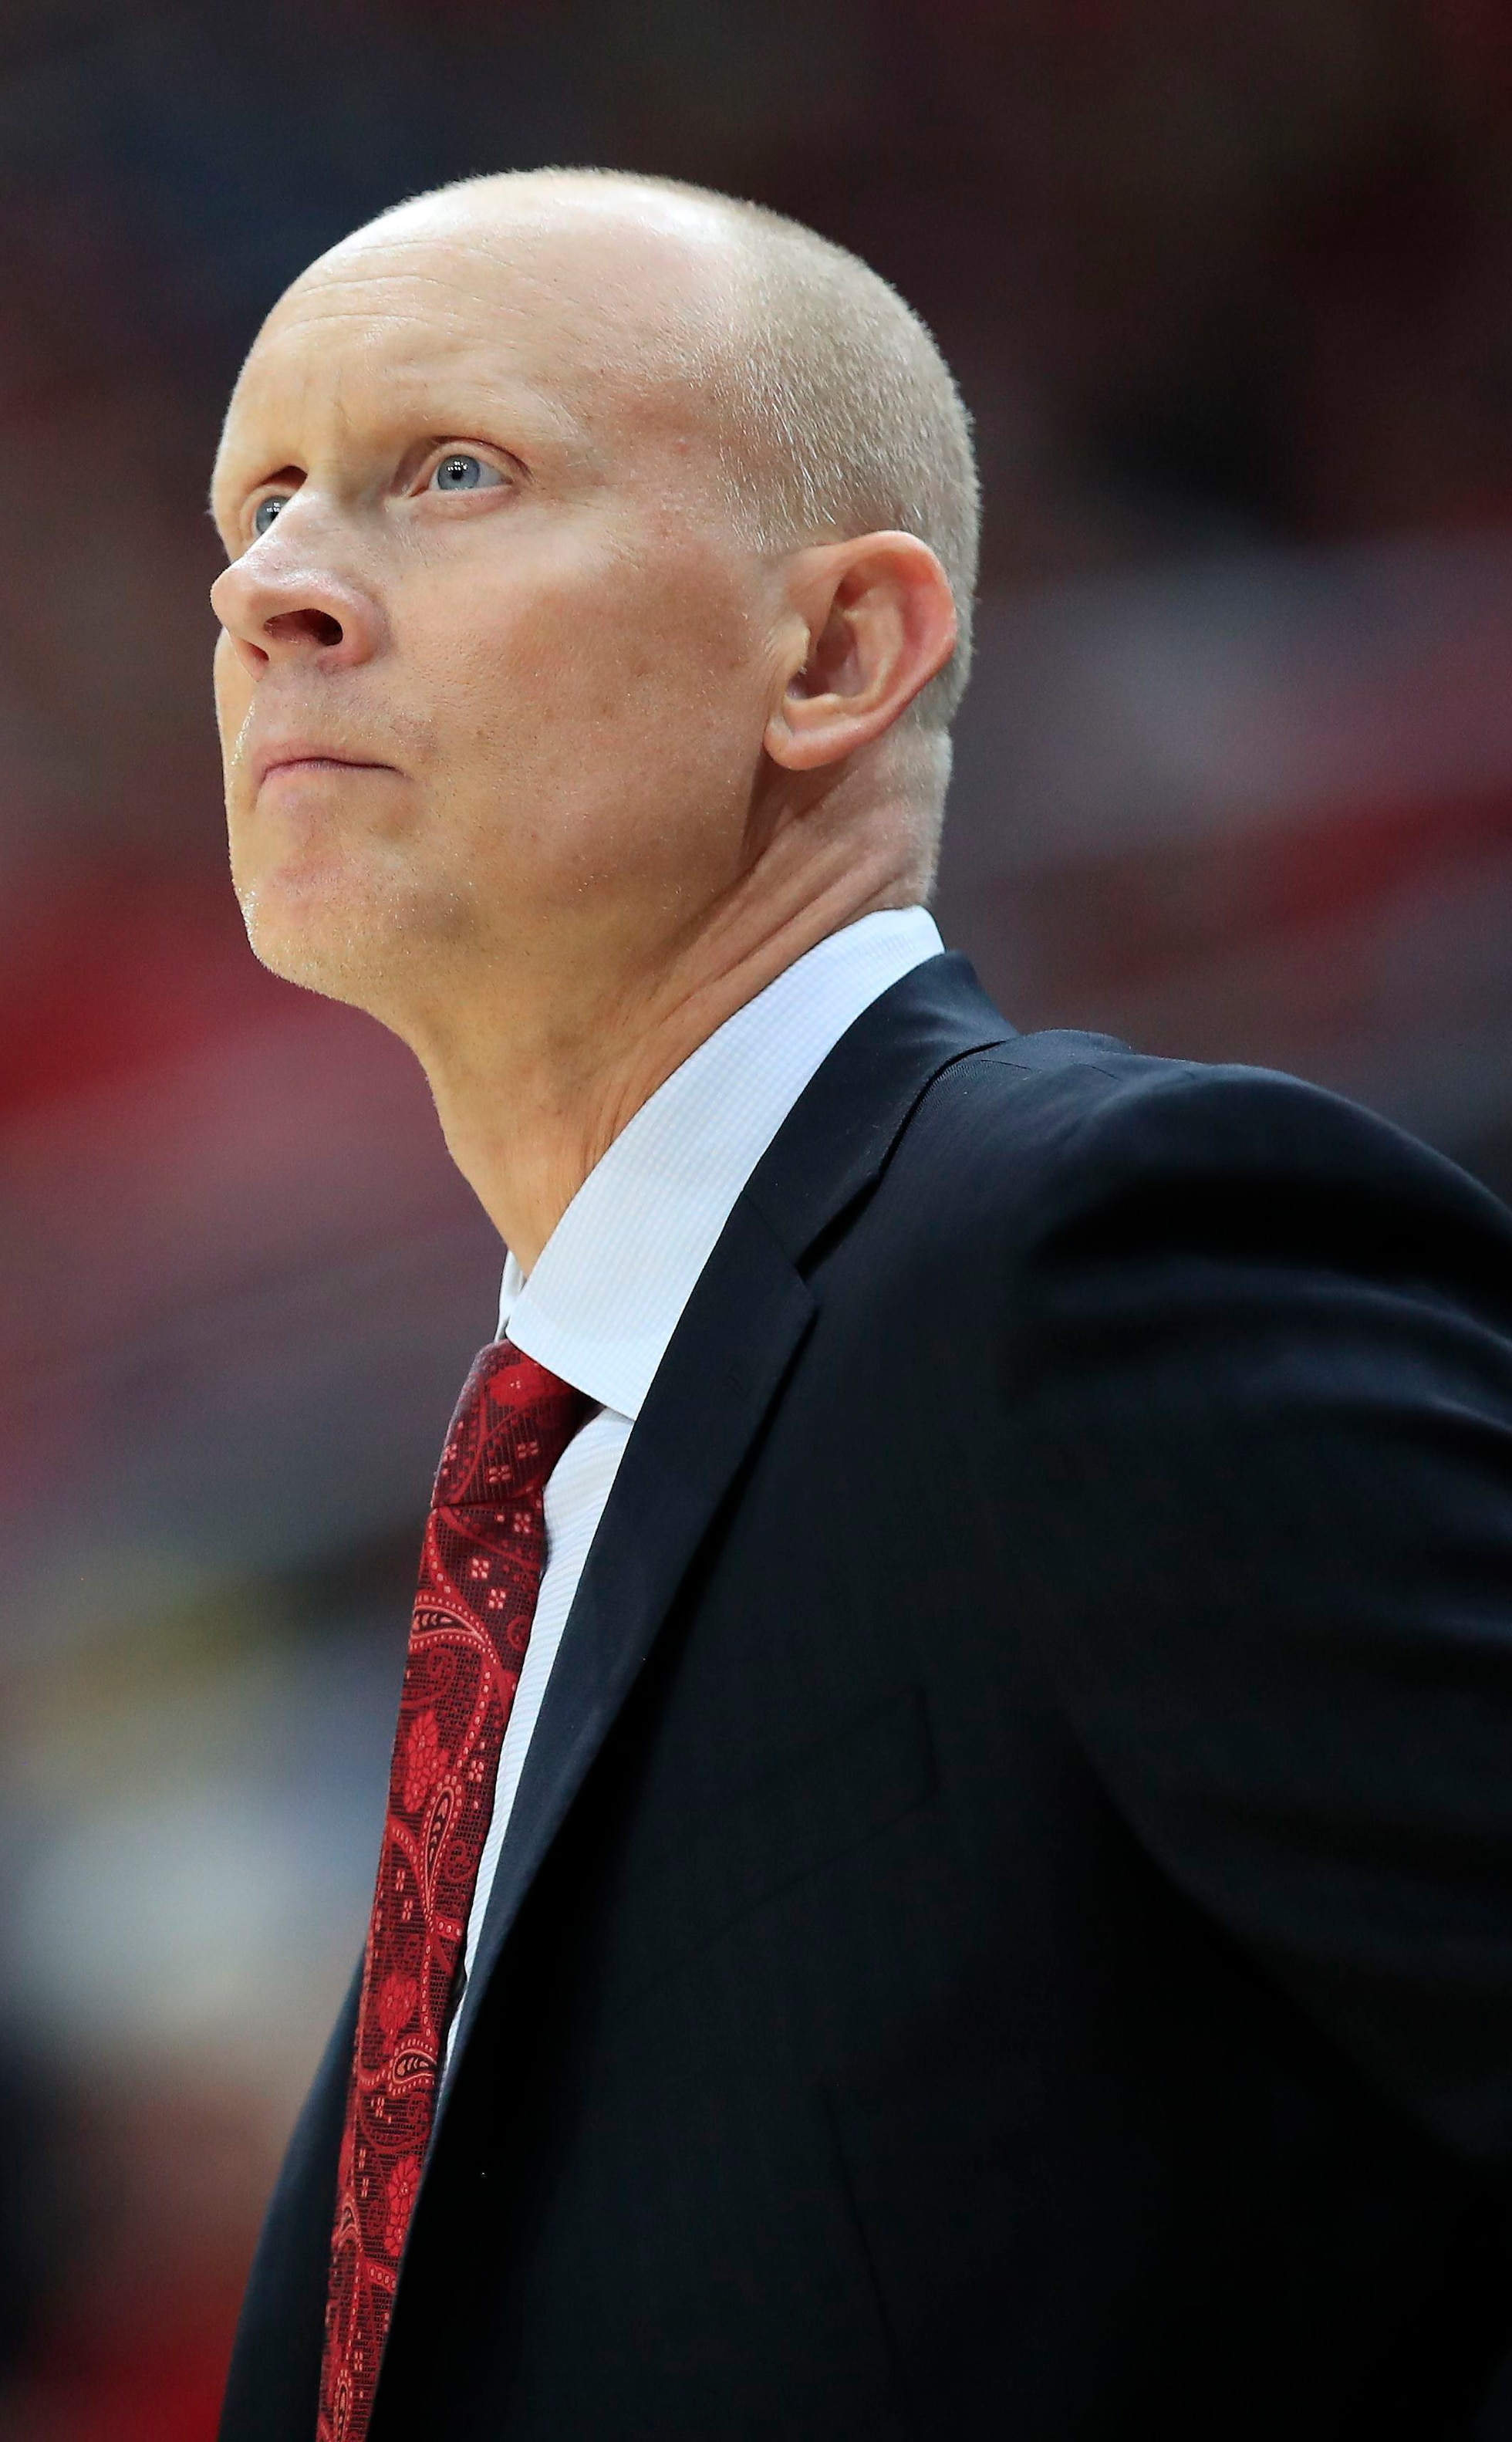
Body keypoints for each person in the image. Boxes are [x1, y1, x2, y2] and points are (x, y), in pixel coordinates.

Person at [201, 170, 1512, 2440]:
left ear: (832, 654)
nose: (274, 589)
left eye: (454, 473)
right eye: (256, 508)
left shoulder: (1093, 1260)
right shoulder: (562, 1473)